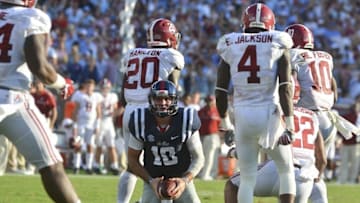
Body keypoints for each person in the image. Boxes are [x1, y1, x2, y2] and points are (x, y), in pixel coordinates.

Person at [215, 3, 296, 203]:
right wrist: (291, 125)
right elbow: (285, 87)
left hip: (242, 114)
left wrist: (225, 122)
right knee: (286, 170)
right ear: (271, 23)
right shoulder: (278, 41)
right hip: (268, 113)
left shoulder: (230, 43)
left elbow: (220, 91)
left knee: (248, 177)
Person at [0, 1, 80, 202]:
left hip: (11, 95)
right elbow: (39, 66)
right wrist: (62, 84)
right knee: (51, 165)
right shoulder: (30, 16)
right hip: (12, 98)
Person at [117, 18, 184, 203]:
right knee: (162, 163)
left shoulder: (132, 53)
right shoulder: (171, 55)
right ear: (170, 37)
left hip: (130, 110)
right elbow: (172, 90)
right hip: (153, 112)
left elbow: (122, 93)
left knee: (132, 164)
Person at [225, 90, 327, 203]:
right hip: (305, 176)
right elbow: (322, 159)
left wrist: (234, 152)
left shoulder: (274, 110)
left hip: (277, 169)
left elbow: (255, 145)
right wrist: (315, 179)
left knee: (232, 185)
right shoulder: (312, 116)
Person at [284, 23, 338, 203]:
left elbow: (289, 86)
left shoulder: (293, 55)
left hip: (307, 119)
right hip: (329, 119)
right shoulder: (326, 57)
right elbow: (334, 88)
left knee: (297, 172)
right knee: (316, 173)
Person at [127, 80, 204, 203]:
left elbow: (199, 158)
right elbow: (132, 159)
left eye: (167, 99)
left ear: (174, 100)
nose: (162, 103)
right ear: (151, 100)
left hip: (180, 177)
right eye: (158, 98)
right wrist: (150, 181)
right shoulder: (140, 121)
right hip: (153, 178)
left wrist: (185, 180)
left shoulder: (186, 120)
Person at [71, 79, 102, 174]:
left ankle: (89, 167)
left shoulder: (96, 96)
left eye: (91, 86)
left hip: (91, 125)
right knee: (78, 144)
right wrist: (75, 125)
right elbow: (75, 111)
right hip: (81, 123)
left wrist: (97, 126)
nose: (89, 88)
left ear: (93, 87)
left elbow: (99, 113)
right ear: (85, 86)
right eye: (87, 85)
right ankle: (76, 166)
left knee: (90, 145)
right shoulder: (80, 96)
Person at [93, 78, 120, 175]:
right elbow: (97, 109)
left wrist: (115, 113)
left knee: (111, 145)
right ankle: (96, 165)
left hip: (108, 121)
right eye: (103, 87)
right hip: (100, 121)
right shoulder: (97, 96)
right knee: (99, 145)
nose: (105, 89)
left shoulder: (113, 96)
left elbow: (115, 109)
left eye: (107, 87)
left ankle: (114, 165)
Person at [197, 95, 221, 180]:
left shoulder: (217, 111)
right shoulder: (201, 111)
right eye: (208, 101)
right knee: (204, 156)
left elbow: (220, 125)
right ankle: (204, 174)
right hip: (202, 136)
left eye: (211, 101)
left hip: (213, 136)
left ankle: (210, 174)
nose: (210, 103)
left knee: (212, 156)